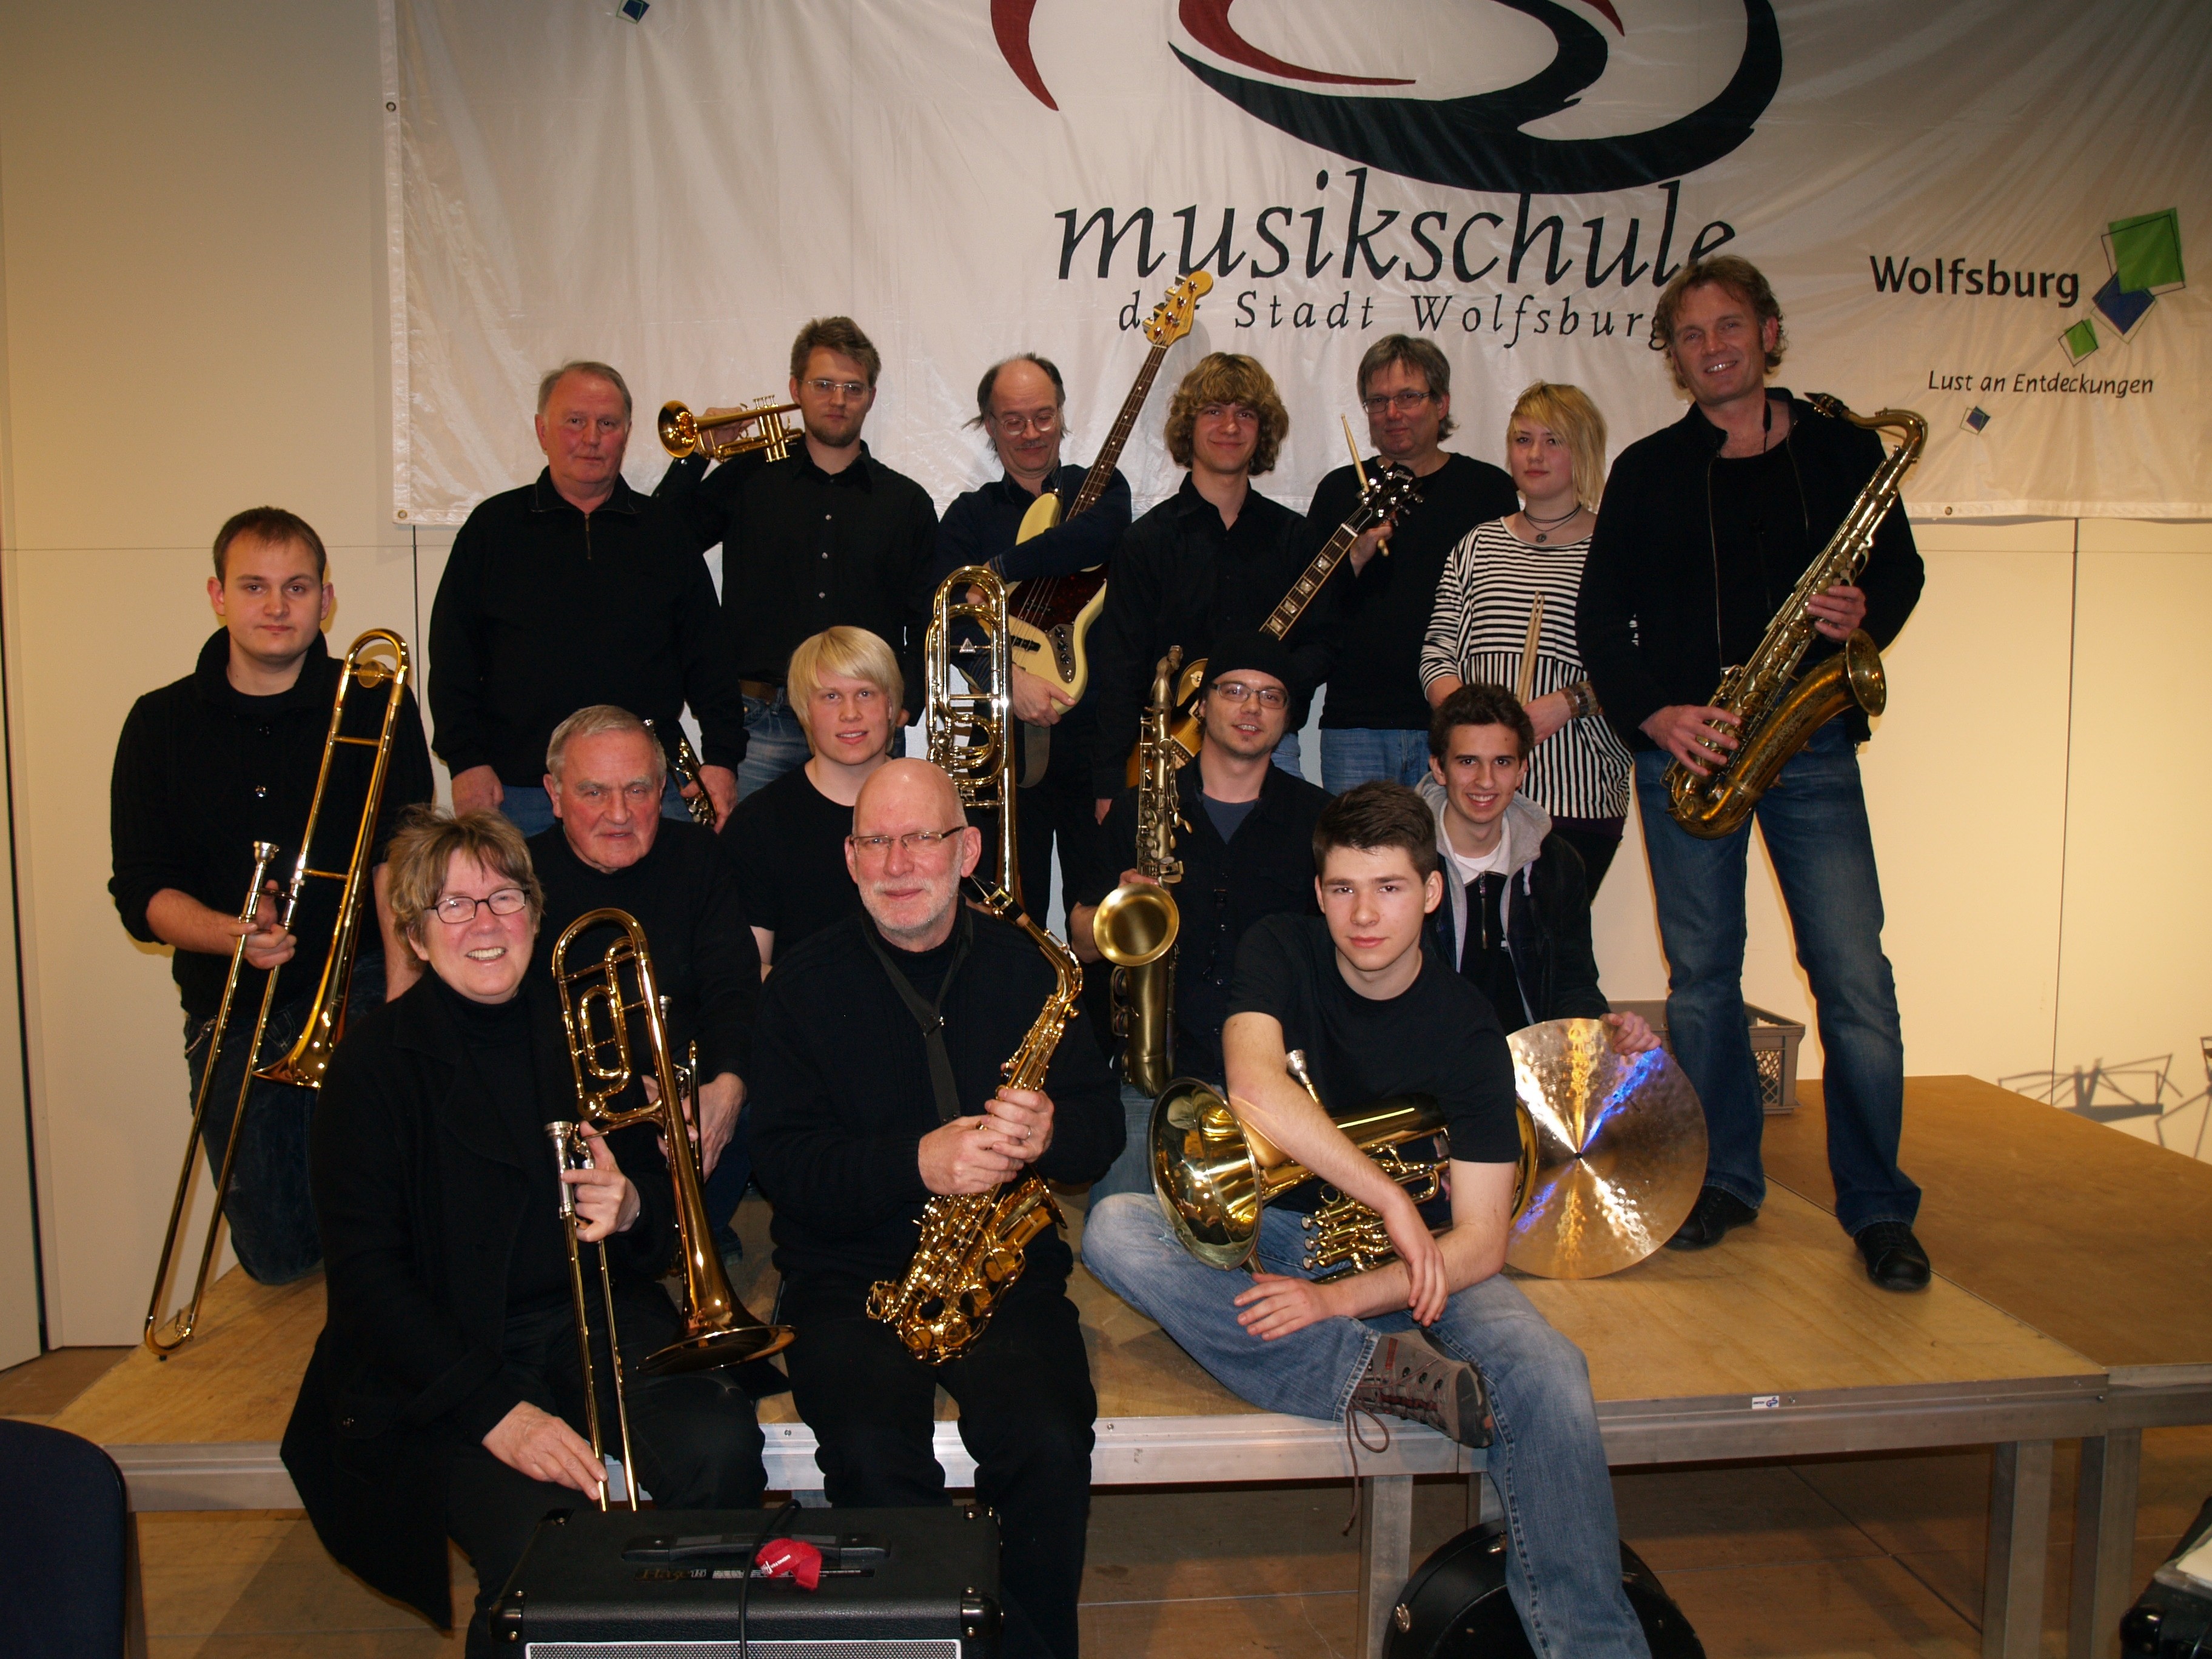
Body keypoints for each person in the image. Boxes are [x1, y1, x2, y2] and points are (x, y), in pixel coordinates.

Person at [1083, 783, 1651, 1658]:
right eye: (1344, 888)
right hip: (1289, 1231)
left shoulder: (1467, 1028)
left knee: (1550, 1371)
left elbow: (1483, 1240)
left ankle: (1594, 1647)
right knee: (1116, 1230)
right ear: (1319, 893)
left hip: (1423, 1262)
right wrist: (1389, 1197)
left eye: (1389, 888)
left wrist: (1339, 1301)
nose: (1363, 914)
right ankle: (1381, 1377)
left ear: (1431, 892)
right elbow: (1253, 1087)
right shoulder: (1281, 946)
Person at [282, 809, 766, 1658]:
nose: (485, 924)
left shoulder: (588, 1031)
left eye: (505, 898)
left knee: (719, 1447)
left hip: (593, 1318)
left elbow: (662, 1215)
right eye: (454, 905)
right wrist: (496, 1415)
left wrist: (634, 1207)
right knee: (549, 1545)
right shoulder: (371, 1067)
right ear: (416, 934)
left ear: (536, 918)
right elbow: (367, 1285)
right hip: (443, 1358)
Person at [1577, 255, 1929, 1290]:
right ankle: (1723, 1179)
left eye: (1728, 326)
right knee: (1701, 981)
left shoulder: (1840, 448)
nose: (1712, 348)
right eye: (1690, 335)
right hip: (1693, 753)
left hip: (1809, 743)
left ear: (1768, 332)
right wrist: (1655, 714)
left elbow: (1900, 570)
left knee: (1854, 980)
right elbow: (1601, 619)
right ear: (1674, 357)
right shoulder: (1647, 468)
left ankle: (1877, 1205)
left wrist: (1867, 612)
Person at [748, 760, 1122, 1659]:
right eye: (876, 841)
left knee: (1046, 1438)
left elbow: (1101, 1131)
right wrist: (915, 1163)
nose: (899, 862)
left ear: (968, 850)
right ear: (849, 858)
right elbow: (784, 1166)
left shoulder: (1034, 970)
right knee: (872, 1453)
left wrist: (1052, 1131)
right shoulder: (798, 987)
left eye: (922, 837)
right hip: (848, 1276)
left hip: (1004, 1268)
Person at [110, 507, 435, 1285]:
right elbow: (142, 889)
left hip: (358, 989)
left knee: (391, 1224)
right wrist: (228, 933)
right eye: (254, 586)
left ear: (327, 599)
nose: (277, 606)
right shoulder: (158, 723)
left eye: (297, 587)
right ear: (218, 596)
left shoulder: (377, 702)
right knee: (278, 1258)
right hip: (231, 1006)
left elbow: (403, 857)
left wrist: (401, 1002)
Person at [427, 361, 744, 833]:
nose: (592, 438)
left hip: (646, 788)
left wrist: (722, 758)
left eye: (608, 424)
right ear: (542, 431)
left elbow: (709, 656)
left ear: (627, 434)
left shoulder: (664, 531)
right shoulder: (492, 529)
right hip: (521, 791)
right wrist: (466, 761)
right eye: (575, 421)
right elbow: (452, 656)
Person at [1068, 632, 1330, 1198]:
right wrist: (1119, 910)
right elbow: (1081, 940)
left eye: (1271, 696)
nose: (1251, 707)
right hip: (1153, 1079)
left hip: (1277, 1084)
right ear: (1202, 705)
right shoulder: (1137, 810)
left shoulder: (1322, 821)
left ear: (1288, 717)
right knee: (1114, 1228)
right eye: (1234, 691)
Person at [663, 317, 937, 798]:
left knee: (873, 847)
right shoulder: (747, 478)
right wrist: (697, 455)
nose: (838, 400)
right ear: (795, 389)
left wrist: (907, 701)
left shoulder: (906, 502)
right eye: (823, 384)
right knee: (751, 849)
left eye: (853, 388)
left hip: (865, 721)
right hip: (759, 721)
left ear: (871, 397)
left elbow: (926, 617)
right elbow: (661, 544)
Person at [525, 705, 761, 1264]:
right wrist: (625, 1100)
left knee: (768, 1078)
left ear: (662, 791)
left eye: (637, 790)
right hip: (578, 1105)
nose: (619, 814)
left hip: (683, 1096)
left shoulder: (699, 856)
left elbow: (734, 986)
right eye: (593, 792)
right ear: (555, 795)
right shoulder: (519, 878)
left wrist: (726, 1089)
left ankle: (688, 1230)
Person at [1087, 352, 1333, 811]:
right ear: (1189, 426)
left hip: (1272, 751)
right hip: (1167, 756)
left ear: (1262, 430)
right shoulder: (1145, 542)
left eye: (1246, 414)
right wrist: (1109, 784)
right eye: (1214, 411)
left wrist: (1264, 694)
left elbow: (1321, 644)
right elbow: (1120, 670)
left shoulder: (1295, 538)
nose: (1230, 427)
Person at [935, 353, 1132, 917]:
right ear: (990, 426)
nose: (1031, 434)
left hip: (1096, 746)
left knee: (1100, 915)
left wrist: (996, 571)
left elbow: (1087, 541)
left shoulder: (1101, 489)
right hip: (1002, 747)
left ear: (1062, 415)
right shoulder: (969, 516)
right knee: (1003, 916)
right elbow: (949, 621)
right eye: (1014, 420)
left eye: (1043, 416)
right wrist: (1006, 679)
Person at [1423, 383, 1634, 891]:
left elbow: (1641, 663)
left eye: (1553, 440)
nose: (1535, 454)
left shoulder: (1617, 549)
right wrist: (1472, 723)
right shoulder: (1478, 545)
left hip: (1578, 792)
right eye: (1523, 440)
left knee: (1553, 935)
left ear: (1584, 449)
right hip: (1477, 796)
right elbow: (1437, 652)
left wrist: (1566, 704)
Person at [1301, 336, 1518, 793]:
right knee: (1357, 840)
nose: (1392, 413)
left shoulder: (1488, 490)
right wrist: (1352, 561)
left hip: (1460, 723)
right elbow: (1308, 611)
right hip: (1357, 723)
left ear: (1441, 403)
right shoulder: (1340, 492)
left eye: (1408, 397)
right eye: (1378, 401)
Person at [1422, 685, 1656, 1053]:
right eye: (1468, 762)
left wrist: (1605, 1028)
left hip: (1531, 1068)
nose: (1485, 780)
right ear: (1439, 768)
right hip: (1431, 1065)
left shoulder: (1557, 863)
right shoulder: (1402, 859)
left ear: (1522, 771)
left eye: (1502, 763)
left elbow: (1573, 984)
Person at [728, 626, 902, 973]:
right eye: (831, 696)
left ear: (891, 706)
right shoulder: (756, 825)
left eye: (865, 693)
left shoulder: (937, 807)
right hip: (803, 1007)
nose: (850, 713)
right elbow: (748, 970)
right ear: (804, 710)